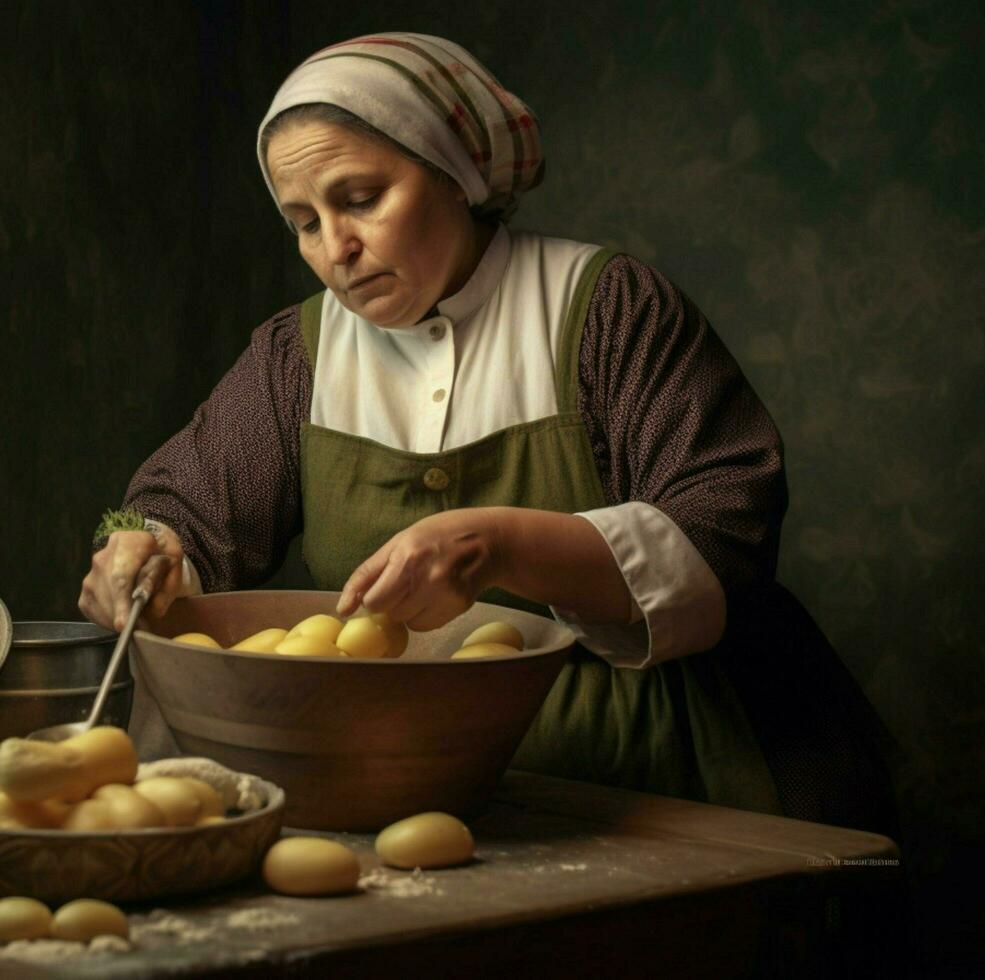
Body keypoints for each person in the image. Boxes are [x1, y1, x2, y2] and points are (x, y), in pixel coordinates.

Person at [78, 32, 898, 836]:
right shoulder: (295, 354)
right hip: (405, 781)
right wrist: (131, 542)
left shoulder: (610, 308)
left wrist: (499, 543)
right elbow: (163, 503)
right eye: (304, 221)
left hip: (666, 774)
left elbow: (728, 529)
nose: (335, 250)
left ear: (457, 174)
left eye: (360, 198)